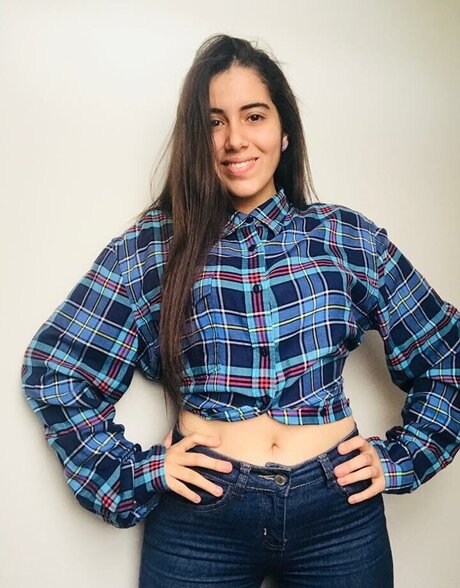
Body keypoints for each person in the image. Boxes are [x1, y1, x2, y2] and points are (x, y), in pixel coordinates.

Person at [21, 34, 459, 588]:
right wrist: (141, 471)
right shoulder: (153, 248)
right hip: (201, 520)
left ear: (284, 131)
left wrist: (402, 459)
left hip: (339, 516)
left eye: (254, 116)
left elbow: (447, 356)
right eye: (214, 122)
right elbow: (56, 369)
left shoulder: (346, 238)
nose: (234, 139)